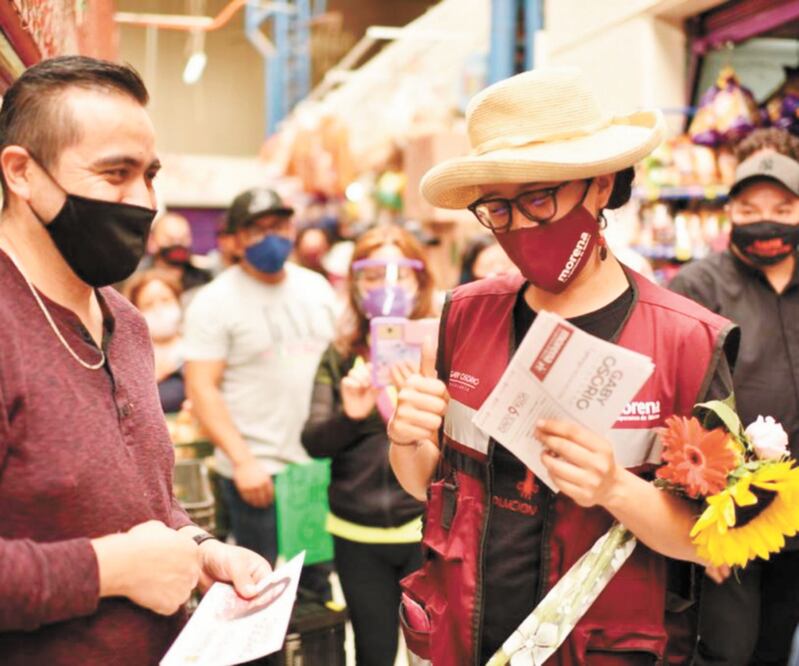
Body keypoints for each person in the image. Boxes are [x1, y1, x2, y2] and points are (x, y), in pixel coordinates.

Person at [387, 67, 739, 665]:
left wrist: (613, 488)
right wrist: (404, 439)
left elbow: (718, 549)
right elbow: (433, 484)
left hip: (600, 645)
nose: (519, 227)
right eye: (497, 210)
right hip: (460, 640)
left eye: (540, 198)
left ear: (600, 187)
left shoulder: (688, 342)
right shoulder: (466, 316)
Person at [0, 56, 269, 665]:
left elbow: (144, 502)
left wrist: (200, 549)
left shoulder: (128, 323)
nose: (141, 201)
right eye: (114, 173)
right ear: (21, 172)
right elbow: (121, 552)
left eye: (149, 175)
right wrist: (107, 570)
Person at [669, 127, 799, 665]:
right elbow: (675, 403)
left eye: (783, 206)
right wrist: (696, 517)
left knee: (776, 646)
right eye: (749, 208)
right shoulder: (696, 288)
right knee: (726, 650)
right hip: (729, 513)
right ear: (730, 214)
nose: (765, 220)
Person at [184, 186, 337, 597]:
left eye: (280, 225)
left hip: (312, 471)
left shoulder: (318, 288)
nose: (273, 236)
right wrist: (243, 460)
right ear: (233, 239)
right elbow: (201, 387)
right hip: (256, 473)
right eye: (258, 229)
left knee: (315, 586)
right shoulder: (213, 301)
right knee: (257, 590)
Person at [302, 225, 433, 665]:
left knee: (433, 653)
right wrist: (351, 415)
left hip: (426, 531)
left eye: (400, 273)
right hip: (356, 535)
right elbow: (314, 441)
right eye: (373, 275)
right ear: (357, 285)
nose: (387, 285)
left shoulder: (439, 347)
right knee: (372, 653)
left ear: (421, 281)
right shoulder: (341, 353)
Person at [125, 269, 187, 413]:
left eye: (165, 300)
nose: (159, 310)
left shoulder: (198, 349)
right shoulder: (131, 361)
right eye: (148, 304)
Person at [144, 211, 213, 297]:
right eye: (170, 240)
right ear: (152, 242)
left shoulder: (204, 279)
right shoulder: (138, 279)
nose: (178, 245)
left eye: (183, 239)